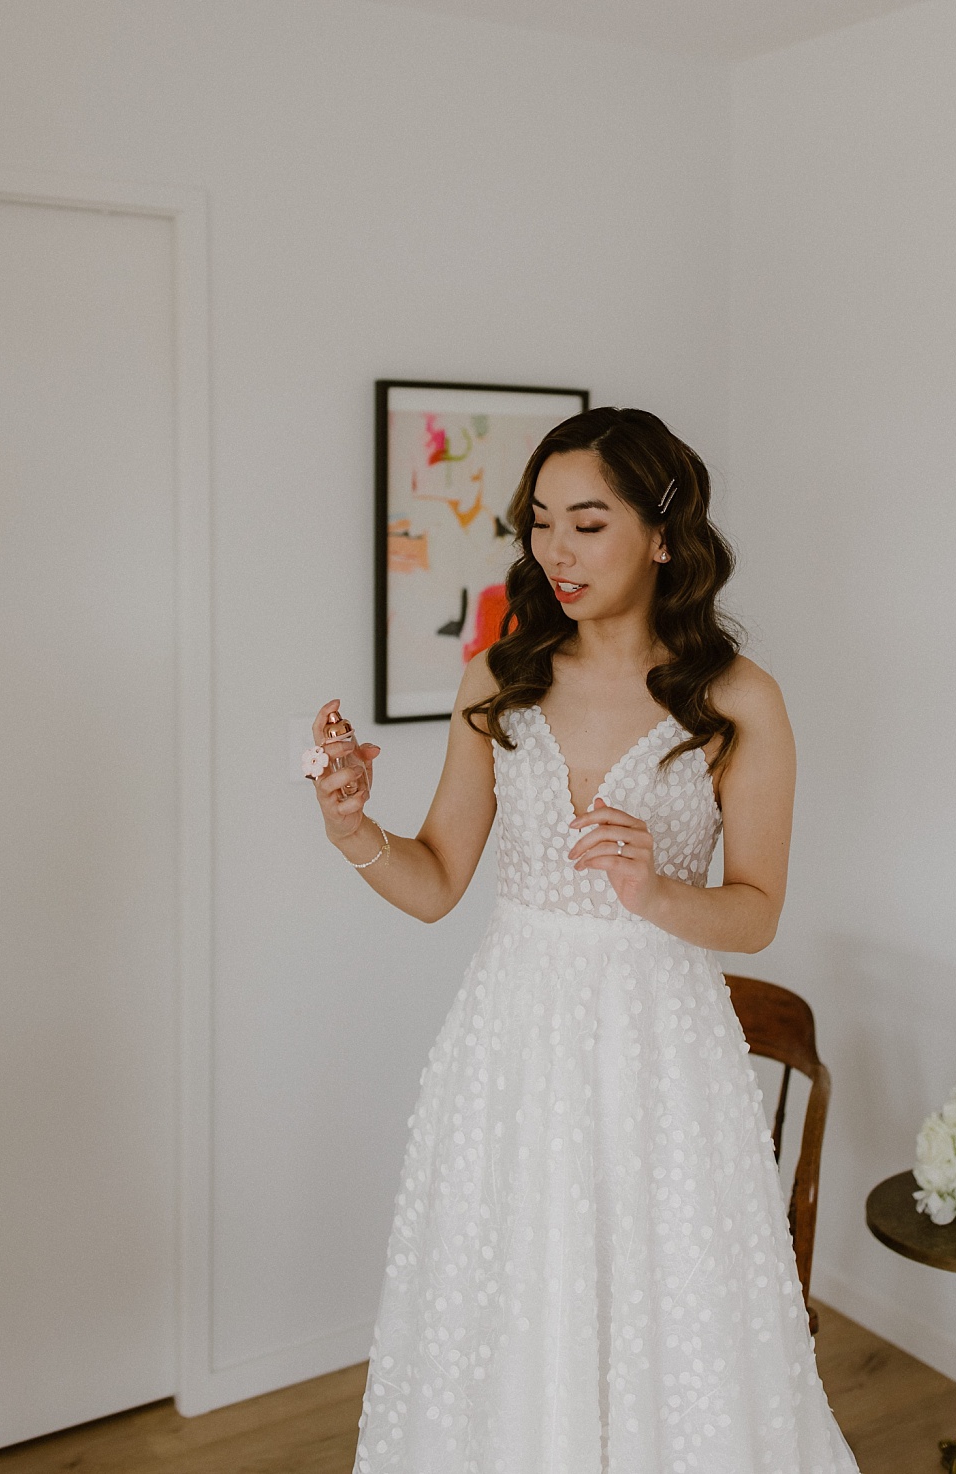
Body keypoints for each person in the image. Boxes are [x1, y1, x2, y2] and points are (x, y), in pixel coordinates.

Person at [311, 407, 857, 1471]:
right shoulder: (500, 675)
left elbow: (756, 909)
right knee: (511, 1305)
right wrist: (350, 828)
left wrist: (653, 888)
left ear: (663, 534)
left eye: (588, 523)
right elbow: (433, 885)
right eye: (541, 524)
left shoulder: (739, 700)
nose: (556, 551)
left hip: (665, 1054)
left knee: (670, 1312)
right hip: (512, 1047)